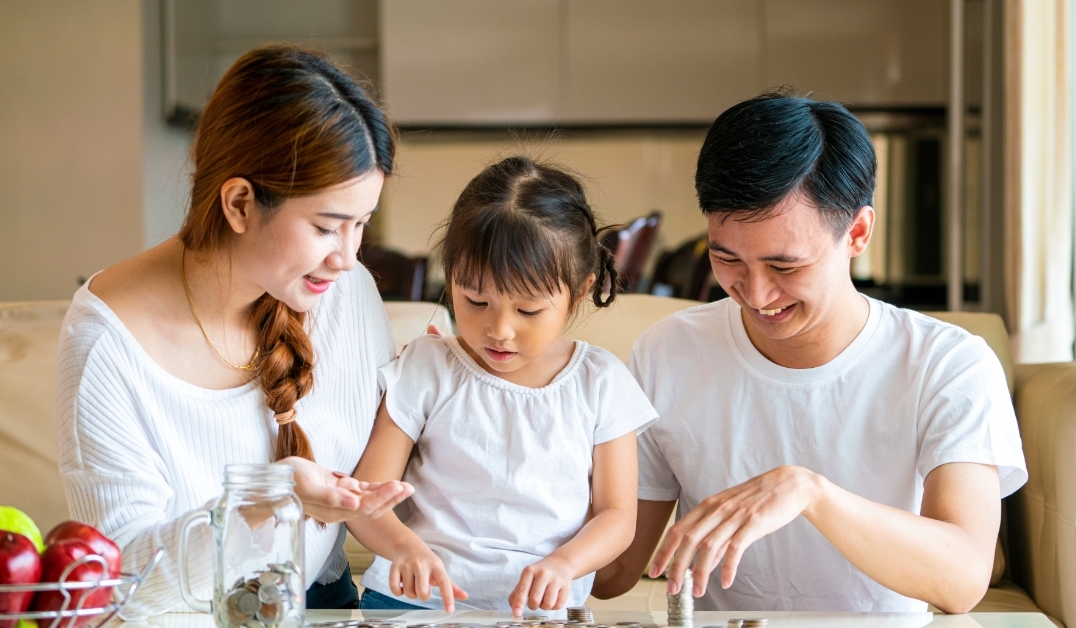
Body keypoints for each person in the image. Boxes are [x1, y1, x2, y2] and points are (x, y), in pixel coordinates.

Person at [592, 93, 1027, 614]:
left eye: (785, 267)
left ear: (858, 233)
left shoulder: (948, 364)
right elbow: (612, 576)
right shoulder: (669, 351)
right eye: (726, 258)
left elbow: (961, 578)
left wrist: (810, 494)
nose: (755, 293)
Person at [56, 45, 414, 615]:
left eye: (362, 225)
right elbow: (119, 585)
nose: (348, 257)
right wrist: (261, 504)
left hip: (327, 606)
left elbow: (393, 475)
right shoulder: (109, 345)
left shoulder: (345, 294)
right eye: (327, 227)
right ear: (241, 203)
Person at [345, 157, 658, 615]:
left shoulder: (601, 382)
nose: (499, 330)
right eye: (475, 300)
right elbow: (366, 495)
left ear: (580, 290)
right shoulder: (428, 366)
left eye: (528, 311)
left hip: (537, 611)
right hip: (416, 604)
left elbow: (617, 517)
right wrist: (403, 548)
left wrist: (565, 564)